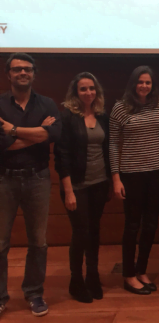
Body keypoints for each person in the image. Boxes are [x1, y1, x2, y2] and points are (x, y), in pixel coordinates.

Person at [0, 53, 61, 317]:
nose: (22, 73)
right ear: (8, 74)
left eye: (27, 69)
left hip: (38, 178)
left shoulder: (46, 104)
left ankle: (34, 293)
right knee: (0, 242)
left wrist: (11, 131)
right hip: (4, 179)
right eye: (17, 69)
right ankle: (0, 296)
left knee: (38, 241)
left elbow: (54, 135)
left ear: (34, 73)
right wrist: (38, 134)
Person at [110, 66, 159, 295]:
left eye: (148, 82)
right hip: (131, 175)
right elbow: (113, 144)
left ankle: (141, 269)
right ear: (133, 83)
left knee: (151, 225)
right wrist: (116, 178)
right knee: (133, 225)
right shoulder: (120, 107)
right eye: (140, 82)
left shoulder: (158, 106)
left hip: (155, 173)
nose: (144, 86)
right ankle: (128, 275)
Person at [54, 72, 111, 303]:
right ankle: (75, 281)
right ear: (75, 93)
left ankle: (93, 277)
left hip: (99, 183)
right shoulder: (67, 118)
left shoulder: (101, 116)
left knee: (94, 231)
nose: (88, 92)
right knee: (81, 233)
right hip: (76, 186)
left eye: (91, 88)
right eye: (83, 89)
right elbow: (61, 157)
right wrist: (68, 191)